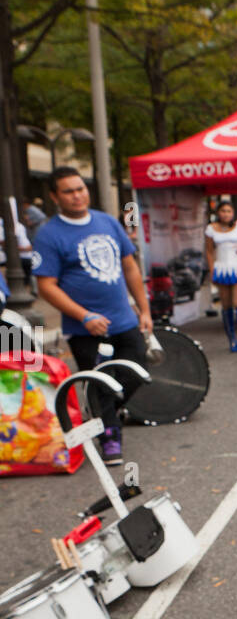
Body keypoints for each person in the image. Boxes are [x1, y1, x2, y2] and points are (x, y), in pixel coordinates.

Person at [32, 165, 151, 465]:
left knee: (138, 370)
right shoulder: (49, 234)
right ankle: (110, 437)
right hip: (84, 328)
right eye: (68, 191)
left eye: (80, 188)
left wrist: (144, 308)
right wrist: (84, 315)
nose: (77, 196)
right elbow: (46, 285)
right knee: (98, 381)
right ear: (54, 196)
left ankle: (107, 410)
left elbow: (130, 267)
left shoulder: (107, 222)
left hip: (123, 319)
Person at [204, 199, 237, 351]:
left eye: (229, 211)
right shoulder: (211, 228)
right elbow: (208, 250)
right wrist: (212, 270)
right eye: (223, 211)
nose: (226, 214)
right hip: (222, 268)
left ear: (233, 213)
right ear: (218, 213)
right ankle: (232, 339)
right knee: (226, 306)